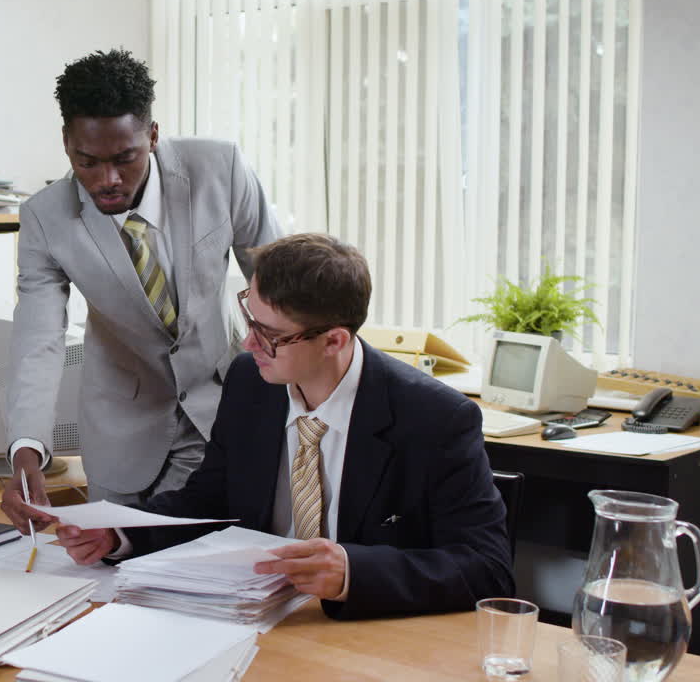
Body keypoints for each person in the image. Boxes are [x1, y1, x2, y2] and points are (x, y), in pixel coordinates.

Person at [56, 233, 515, 619]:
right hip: (251, 617)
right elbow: (211, 500)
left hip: (362, 633)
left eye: (269, 335)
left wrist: (354, 572)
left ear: (334, 339)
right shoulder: (250, 382)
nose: (247, 340)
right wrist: (121, 534)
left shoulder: (434, 418)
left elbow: (487, 568)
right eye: (248, 317)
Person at [1, 49, 282, 528]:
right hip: (121, 437)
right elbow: (38, 340)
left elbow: (281, 285)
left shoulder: (220, 169)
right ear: (66, 143)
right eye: (86, 161)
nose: (107, 180)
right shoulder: (45, 218)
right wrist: (26, 446)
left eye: (124, 158)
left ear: (152, 136)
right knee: (114, 573)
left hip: (222, 416)